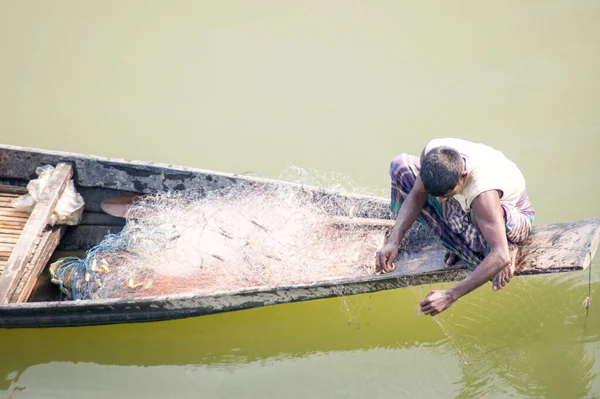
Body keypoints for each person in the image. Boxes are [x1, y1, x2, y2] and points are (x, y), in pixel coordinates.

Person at [375, 138, 535, 316]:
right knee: (400, 165)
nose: (440, 200)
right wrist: (393, 241)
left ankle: (509, 243)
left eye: (445, 195)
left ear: (463, 176)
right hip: (470, 200)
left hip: (513, 215)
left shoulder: (482, 194)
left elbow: (500, 255)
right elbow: (417, 194)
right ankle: (462, 236)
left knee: (482, 226)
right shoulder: (432, 153)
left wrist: (451, 295)